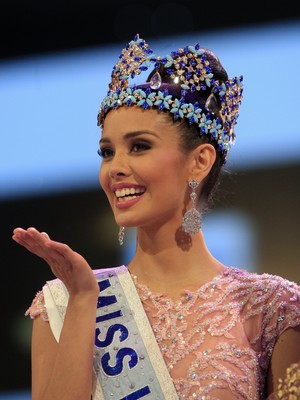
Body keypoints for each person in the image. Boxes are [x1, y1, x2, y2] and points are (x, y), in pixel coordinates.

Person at [12, 34, 300, 400]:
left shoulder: (274, 307)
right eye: (106, 151)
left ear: (200, 160)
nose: (115, 168)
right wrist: (85, 300)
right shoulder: (64, 301)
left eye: (139, 146)